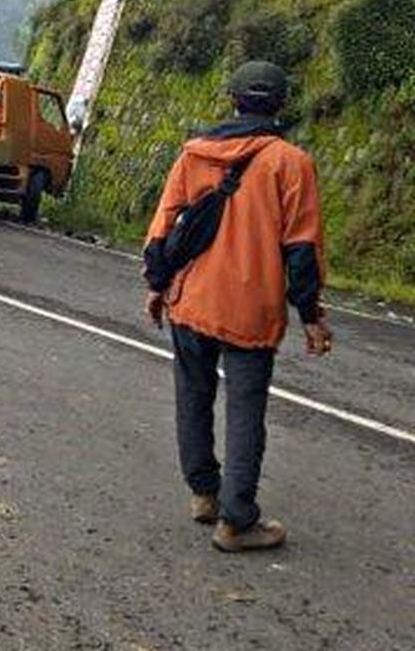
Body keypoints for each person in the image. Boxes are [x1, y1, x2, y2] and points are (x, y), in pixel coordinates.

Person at [142, 61, 333, 553]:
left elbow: (164, 229)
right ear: (280, 105)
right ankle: (236, 520)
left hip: (191, 299)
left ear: (232, 99)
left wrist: (156, 285)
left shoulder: (194, 154)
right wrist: (311, 316)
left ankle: (205, 494)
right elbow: (302, 248)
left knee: (193, 395)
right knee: (246, 410)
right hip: (251, 308)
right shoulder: (291, 163)